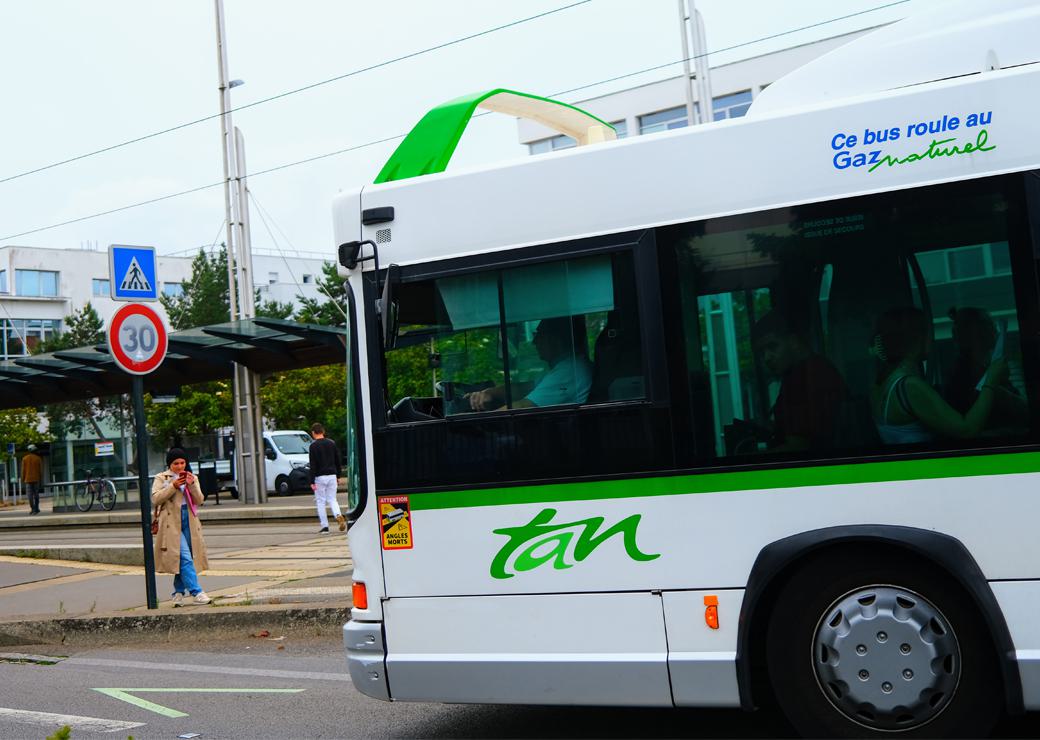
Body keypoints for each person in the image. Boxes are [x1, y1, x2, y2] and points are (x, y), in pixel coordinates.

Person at [870, 306, 1008, 444]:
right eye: (929, 331)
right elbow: (967, 430)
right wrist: (991, 380)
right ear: (917, 336)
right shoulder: (910, 387)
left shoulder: (879, 384)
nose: (932, 338)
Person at [751, 311, 848, 452]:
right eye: (761, 352)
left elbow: (797, 447)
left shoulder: (803, 378)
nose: (766, 358)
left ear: (794, 342)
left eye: (772, 346)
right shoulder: (815, 368)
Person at [467, 316, 593, 411]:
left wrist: (477, 420)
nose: (534, 342)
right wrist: (490, 392)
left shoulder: (570, 370)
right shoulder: (567, 366)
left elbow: (524, 406)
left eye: (538, 335)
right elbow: (525, 388)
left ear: (555, 339)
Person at [944, 306, 1027, 430]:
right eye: (989, 324)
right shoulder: (968, 374)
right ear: (977, 332)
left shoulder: (984, 367)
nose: (995, 329)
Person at [151, 448, 210, 606]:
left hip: (189, 520)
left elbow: (199, 500)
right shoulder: (162, 477)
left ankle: (177, 592)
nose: (179, 466)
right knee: (184, 557)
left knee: (184, 557)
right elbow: (155, 499)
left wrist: (191, 485)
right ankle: (197, 592)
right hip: (171, 522)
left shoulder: (192, 477)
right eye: (176, 463)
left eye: (182, 462)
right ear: (170, 464)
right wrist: (173, 486)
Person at [309, 423, 345, 534]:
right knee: (332, 499)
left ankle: (325, 527)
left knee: (320, 501)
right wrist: (338, 476)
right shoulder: (331, 443)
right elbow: (337, 461)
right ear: (323, 432)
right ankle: (338, 515)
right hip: (332, 476)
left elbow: (313, 464)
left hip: (320, 477)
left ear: (313, 433)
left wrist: (311, 481)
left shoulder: (313, 446)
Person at [21, 444, 43, 516]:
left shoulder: (24, 458)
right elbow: (40, 470)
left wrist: (23, 478)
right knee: (36, 494)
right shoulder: (38, 458)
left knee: (29, 495)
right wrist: (40, 478)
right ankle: (36, 508)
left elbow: (23, 470)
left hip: (27, 480)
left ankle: (33, 509)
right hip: (36, 479)